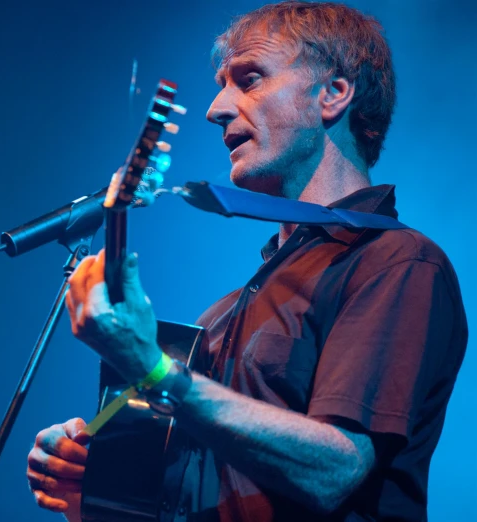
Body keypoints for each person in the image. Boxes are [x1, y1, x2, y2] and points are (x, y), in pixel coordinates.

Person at [26, 2, 468, 521]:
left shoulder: (397, 263)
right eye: (222, 84)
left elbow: (337, 471)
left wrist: (155, 370)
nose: (216, 108)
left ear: (333, 94)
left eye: (249, 79)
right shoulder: (221, 315)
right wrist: (96, 486)